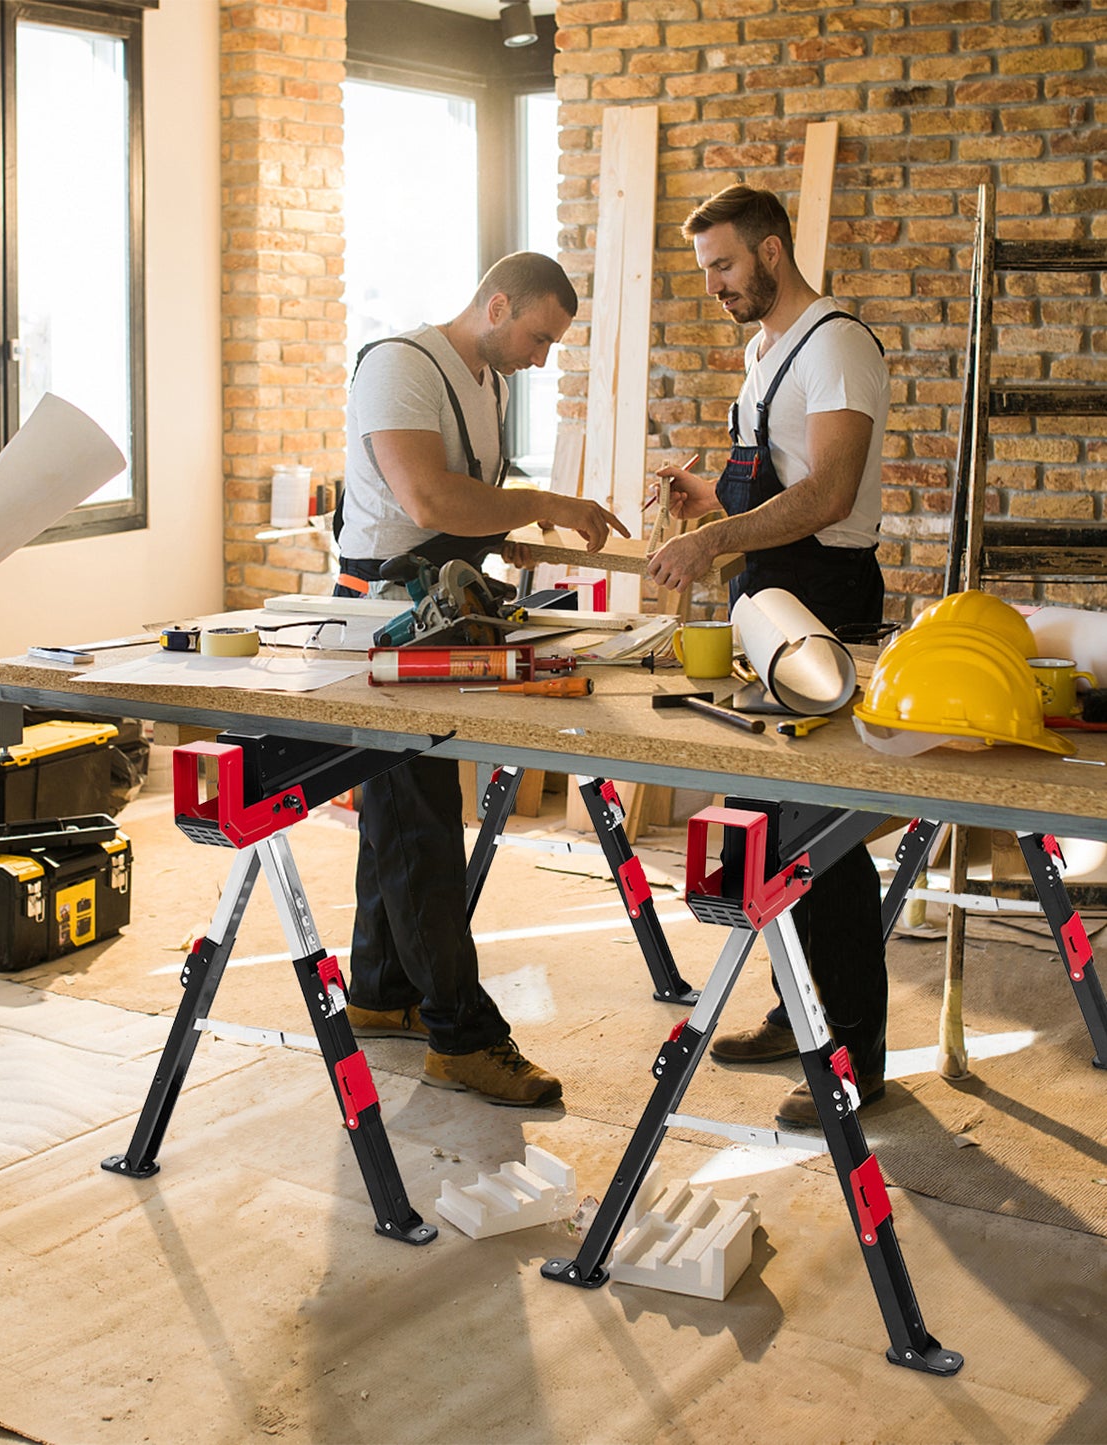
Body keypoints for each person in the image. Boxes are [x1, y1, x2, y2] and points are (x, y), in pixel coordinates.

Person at [334, 251, 627, 1105]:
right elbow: (427, 499)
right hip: (386, 612)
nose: (540, 359)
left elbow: (466, 510)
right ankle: (462, 1034)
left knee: (401, 803)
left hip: (443, 606)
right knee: (419, 819)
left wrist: (515, 532)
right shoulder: (399, 365)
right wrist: (545, 505)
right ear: (496, 304)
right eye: (537, 336)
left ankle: (383, 995)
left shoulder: (489, 383)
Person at [646, 184, 892, 1130]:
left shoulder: (834, 344)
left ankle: (854, 1056)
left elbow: (828, 494)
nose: (711, 284)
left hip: (822, 595)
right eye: (704, 267)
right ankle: (801, 1015)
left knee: (817, 835)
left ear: (773, 252)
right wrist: (709, 500)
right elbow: (776, 483)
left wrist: (712, 545)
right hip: (767, 594)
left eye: (722, 265)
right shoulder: (763, 353)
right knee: (764, 824)